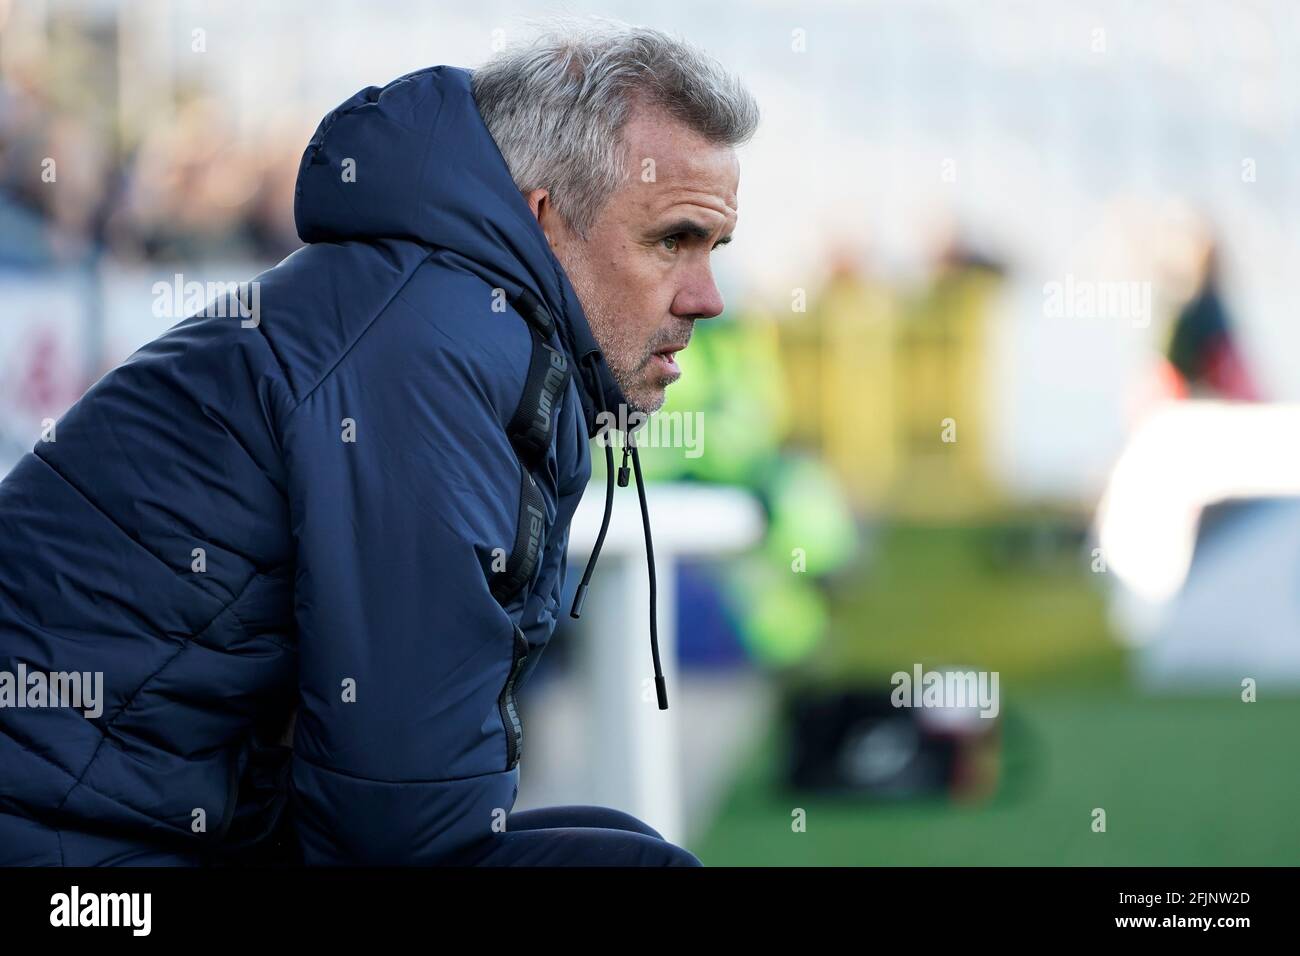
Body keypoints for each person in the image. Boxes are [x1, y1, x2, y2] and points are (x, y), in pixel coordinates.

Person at [0, 18, 757, 866]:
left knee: (619, 845)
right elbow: (403, 831)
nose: (707, 296)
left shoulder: (450, 316)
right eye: (672, 242)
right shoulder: (434, 349)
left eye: (715, 247)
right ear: (547, 220)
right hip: (66, 849)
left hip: (131, 823)